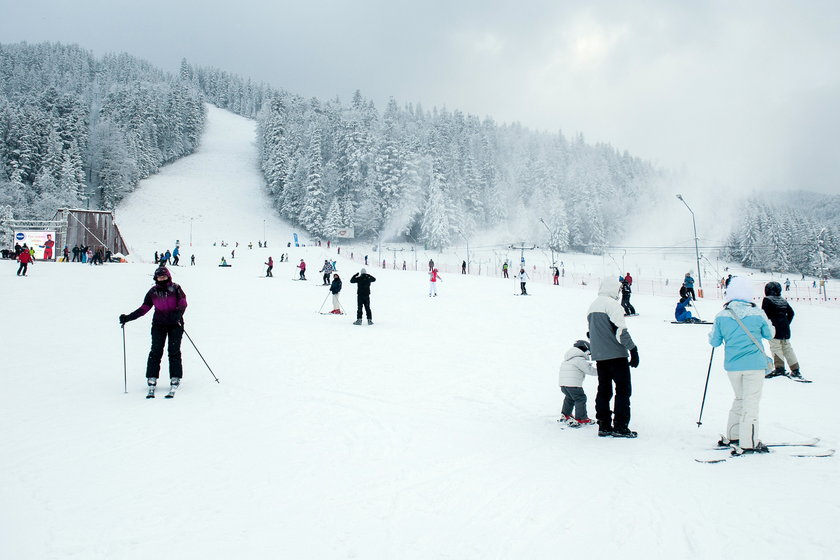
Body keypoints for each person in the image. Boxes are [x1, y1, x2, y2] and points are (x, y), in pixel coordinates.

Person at [709, 276, 773, 455]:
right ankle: (749, 442)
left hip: (733, 366)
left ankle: (733, 435)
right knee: (751, 403)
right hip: (754, 365)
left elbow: (714, 341)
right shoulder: (757, 313)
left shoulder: (722, 315)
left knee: (740, 399)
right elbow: (770, 334)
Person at [119, 267, 188, 398]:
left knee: (174, 351)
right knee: (155, 350)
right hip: (159, 324)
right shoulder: (153, 292)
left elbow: (183, 303)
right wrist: (128, 317)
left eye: (164, 277)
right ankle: (152, 377)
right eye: (159, 277)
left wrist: (178, 314)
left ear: (168, 276)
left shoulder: (176, 288)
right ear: (156, 278)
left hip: (175, 324)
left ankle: (175, 377)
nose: (161, 279)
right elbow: (144, 308)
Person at [588, 277, 639, 438]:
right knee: (623, 390)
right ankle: (620, 426)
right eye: (617, 289)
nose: (618, 293)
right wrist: (633, 349)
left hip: (600, 357)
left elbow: (591, 333)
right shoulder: (612, 305)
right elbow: (621, 332)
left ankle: (603, 424)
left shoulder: (593, 306)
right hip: (616, 355)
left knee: (604, 390)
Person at [761, 281, 803, 379]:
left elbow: (764, 315)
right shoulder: (782, 300)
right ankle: (795, 369)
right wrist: (786, 323)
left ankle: (779, 368)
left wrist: (766, 326)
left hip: (774, 327)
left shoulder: (767, 300)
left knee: (775, 347)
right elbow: (791, 313)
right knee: (787, 347)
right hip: (785, 328)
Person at [557, 339, 597, 426]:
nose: (589, 355)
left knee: (569, 398)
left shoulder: (568, 359)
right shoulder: (579, 359)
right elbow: (589, 370)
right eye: (589, 353)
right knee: (580, 398)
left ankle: (565, 415)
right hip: (573, 385)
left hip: (563, 385)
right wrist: (602, 372)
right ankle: (581, 418)